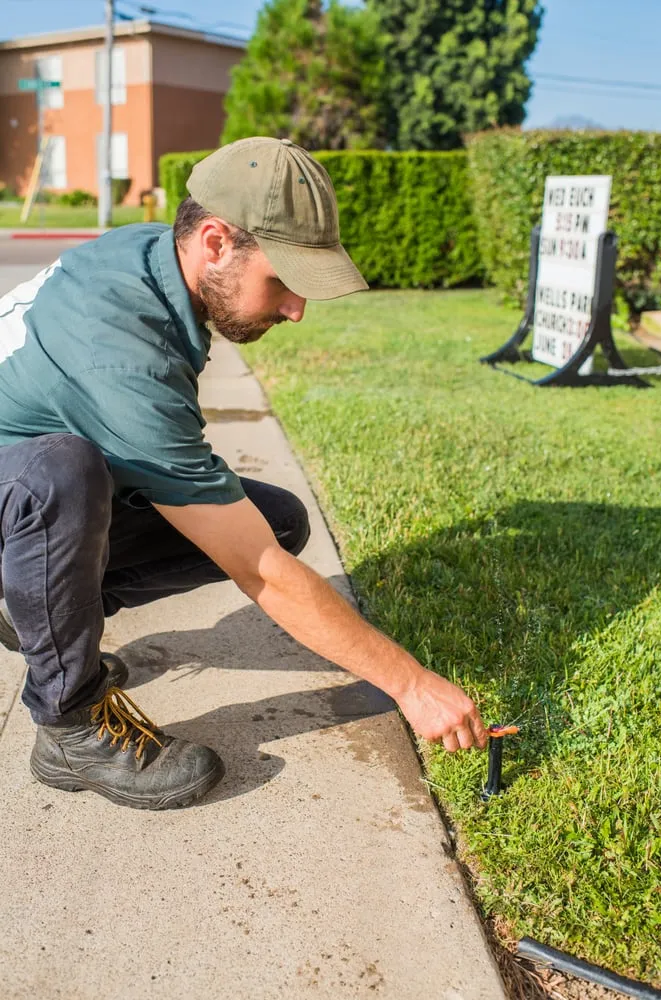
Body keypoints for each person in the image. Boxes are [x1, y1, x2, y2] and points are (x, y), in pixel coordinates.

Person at [0, 137, 487, 811]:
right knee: (61, 474)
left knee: (276, 517)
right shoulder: (124, 359)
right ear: (215, 242)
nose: (295, 309)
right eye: (282, 280)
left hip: (17, 463)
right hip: (20, 479)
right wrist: (410, 684)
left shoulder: (151, 257)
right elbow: (255, 568)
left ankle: (36, 610)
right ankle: (68, 722)